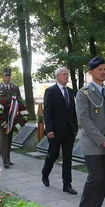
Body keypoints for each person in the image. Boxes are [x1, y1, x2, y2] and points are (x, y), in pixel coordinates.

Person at [77, 56, 105, 207]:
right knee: (95, 177)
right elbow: (84, 120)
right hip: (92, 144)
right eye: (99, 69)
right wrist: (101, 140)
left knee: (104, 179)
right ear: (91, 72)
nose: (103, 72)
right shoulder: (83, 93)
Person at [41, 67, 78, 195]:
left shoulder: (70, 91)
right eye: (64, 74)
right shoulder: (50, 91)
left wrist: (75, 128)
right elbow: (48, 112)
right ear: (58, 76)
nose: (67, 76)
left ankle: (67, 184)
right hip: (55, 131)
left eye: (68, 74)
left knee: (68, 158)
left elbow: (73, 111)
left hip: (69, 131)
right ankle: (45, 173)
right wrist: (49, 129)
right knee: (53, 155)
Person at [0, 68, 22, 169]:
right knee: (4, 137)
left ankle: (8, 158)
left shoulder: (15, 88)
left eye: (9, 76)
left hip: (12, 117)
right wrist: (0, 104)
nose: (7, 77)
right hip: (1, 117)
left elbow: (19, 100)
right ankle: (4, 160)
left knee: (9, 138)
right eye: (6, 76)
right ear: (2, 77)